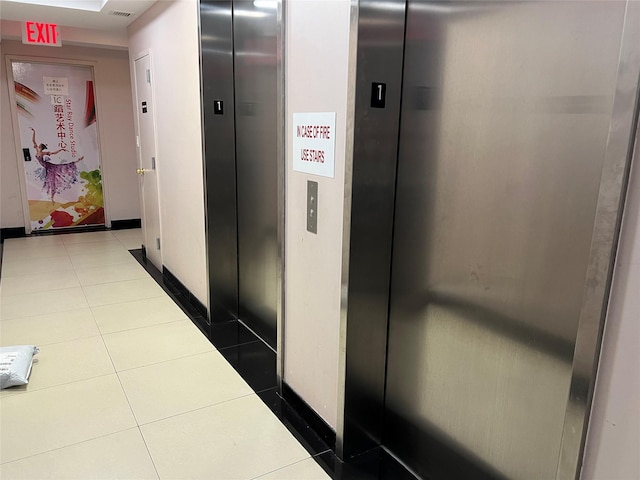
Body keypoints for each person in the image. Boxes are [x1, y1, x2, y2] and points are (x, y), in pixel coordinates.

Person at [30, 127, 83, 203]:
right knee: (50, 181)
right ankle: (51, 197)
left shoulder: (42, 153)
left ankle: (77, 161)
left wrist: (61, 149)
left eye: (39, 146)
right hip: (48, 167)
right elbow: (33, 140)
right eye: (38, 146)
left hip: (50, 167)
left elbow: (53, 153)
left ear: (41, 148)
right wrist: (34, 131)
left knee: (55, 178)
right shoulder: (38, 151)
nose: (37, 146)